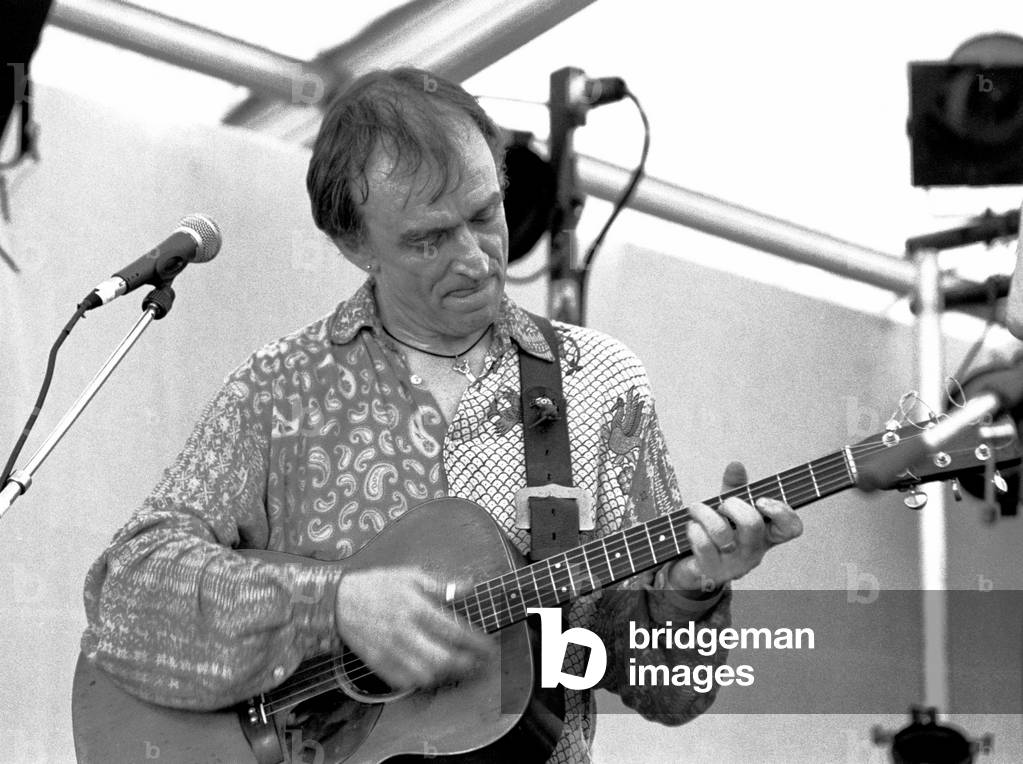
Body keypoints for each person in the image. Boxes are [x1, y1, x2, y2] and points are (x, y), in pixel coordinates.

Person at [81, 67, 803, 762]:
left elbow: (670, 693)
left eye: (485, 215)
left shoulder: (598, 386)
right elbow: (126, 594)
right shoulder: (279, 388)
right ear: (354, 244)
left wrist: (693, 590)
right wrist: (332, 604)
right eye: (428, 238)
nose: (476, 260)